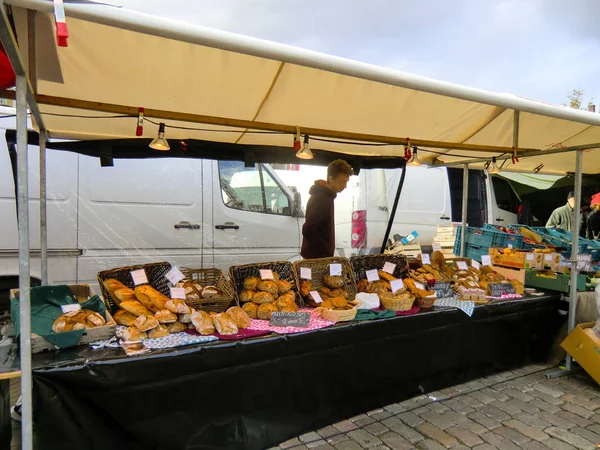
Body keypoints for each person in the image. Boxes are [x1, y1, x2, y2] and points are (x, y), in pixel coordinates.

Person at [301, 159, 353, 259]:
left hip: (318, 257)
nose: (345, 186)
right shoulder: (322, 198)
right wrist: (324, 251)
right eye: (343, 181)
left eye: (346, 182)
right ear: (331, 179)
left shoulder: (326, 196)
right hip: (316, 260)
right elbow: (308, 229)